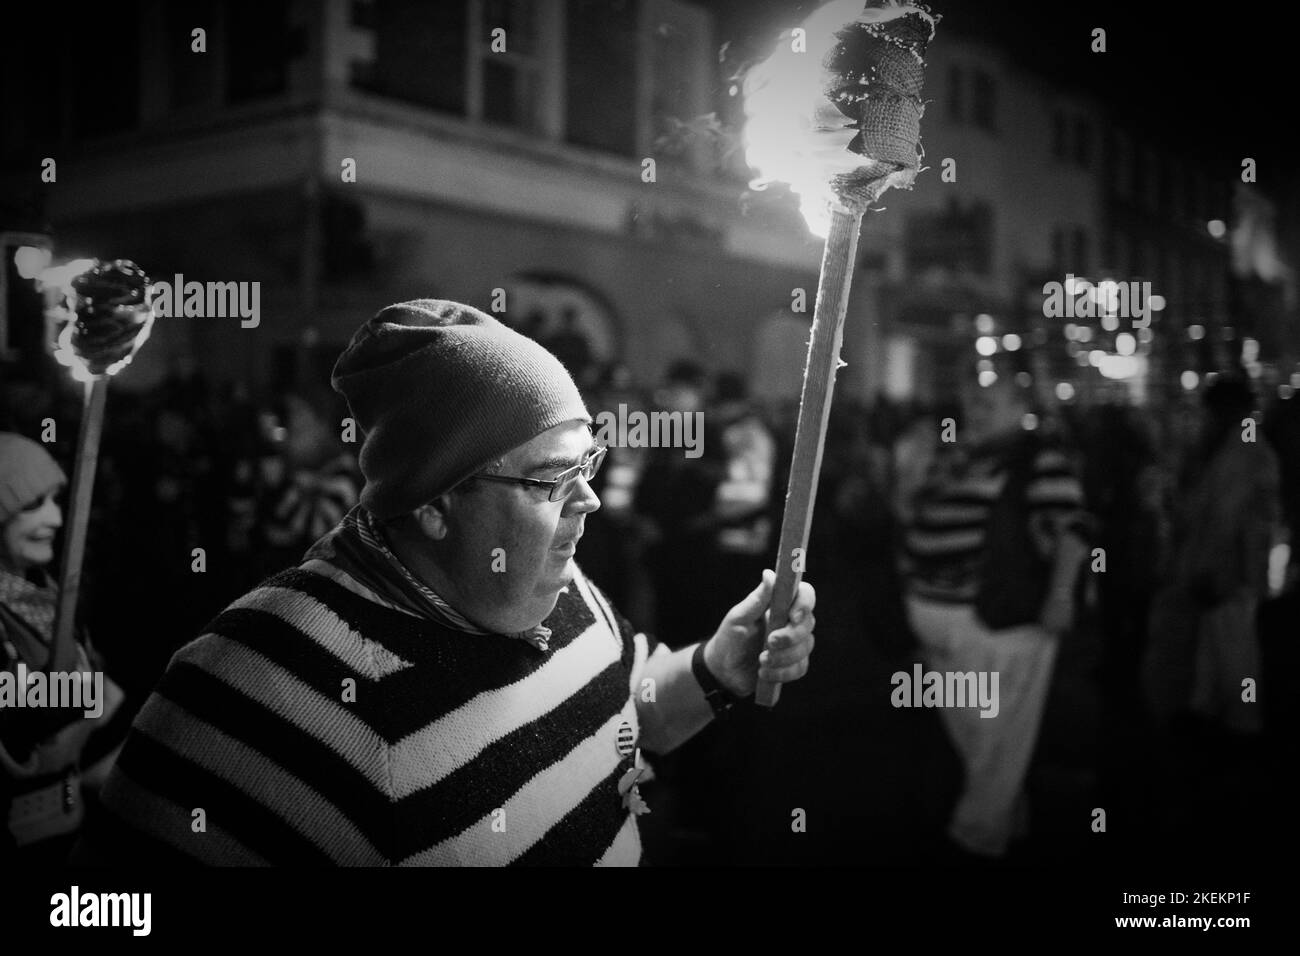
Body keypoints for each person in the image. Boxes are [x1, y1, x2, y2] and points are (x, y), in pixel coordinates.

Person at [78, 300, 816, 866]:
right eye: (553, 479)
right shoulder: (250, 688)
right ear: (433, 504)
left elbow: (623, 714)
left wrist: (717, 669)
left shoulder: (564, 588)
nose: (588, 501)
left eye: (586, 467)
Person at [898, 375, 1088, 858]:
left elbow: (1073, 530)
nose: (976, 410)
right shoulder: (961, 455)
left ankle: (976, 838)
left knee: (996, 741)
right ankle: (1009, 822)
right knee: (981, 738)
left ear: (1018, 407)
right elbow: (909, 514)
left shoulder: (1037, 456)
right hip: (941, 620)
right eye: (972, 401)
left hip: (996, 620)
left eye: (989, 402)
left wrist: (1061, 597)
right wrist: (911, 471)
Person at [0, 433, 127, 863]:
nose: (56, 518)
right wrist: (63, 696)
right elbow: (18, 716)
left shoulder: (51, 598)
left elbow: (95, 719)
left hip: (69, 832)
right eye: (32, 505)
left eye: (56, 499)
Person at [1144, 376, 1280, 736]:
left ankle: (1244, 721)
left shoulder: (1241, 448)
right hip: (1232, 565)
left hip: (1232, 568)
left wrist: (1214, 570)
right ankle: (1209, 712)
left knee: (1237, 650)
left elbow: (1225, 516)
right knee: (1218, 642)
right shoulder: (1240, 444)